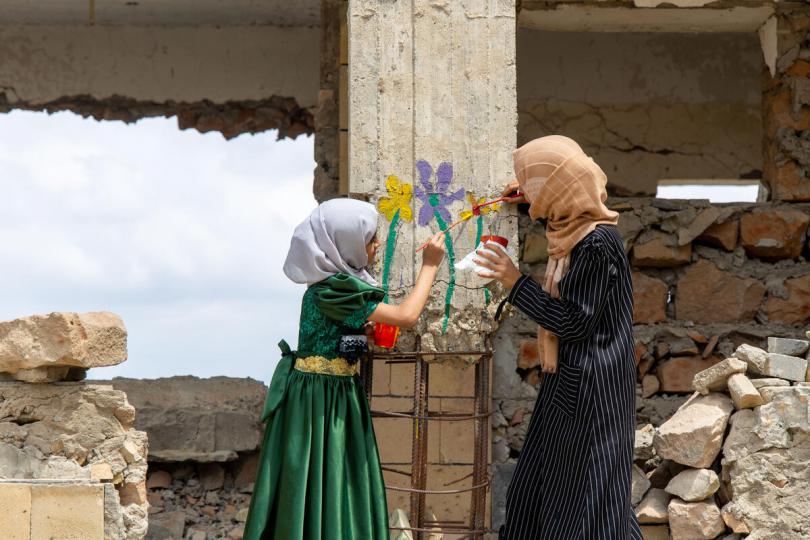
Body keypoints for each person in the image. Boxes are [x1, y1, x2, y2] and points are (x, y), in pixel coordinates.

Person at [244, 198, 445, 540]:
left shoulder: (331, 286)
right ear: (344, 244)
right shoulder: (336, 289)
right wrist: (430, 266)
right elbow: (406, 317)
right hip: (322, 402)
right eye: (370, 239)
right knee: (330, 473)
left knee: (331, 477)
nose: (377, 244)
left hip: (333, 394)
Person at [476, 135, 642, 539]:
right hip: (570, 383)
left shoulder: (597, 244)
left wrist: (515, 281)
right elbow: (558, 215)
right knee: (538, 488)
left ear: (557, 189)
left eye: (537, 185)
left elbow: (573, 323)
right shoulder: (573, 230)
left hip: (594, 393)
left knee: (586, 501)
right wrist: (530, 199)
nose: (531, 194)